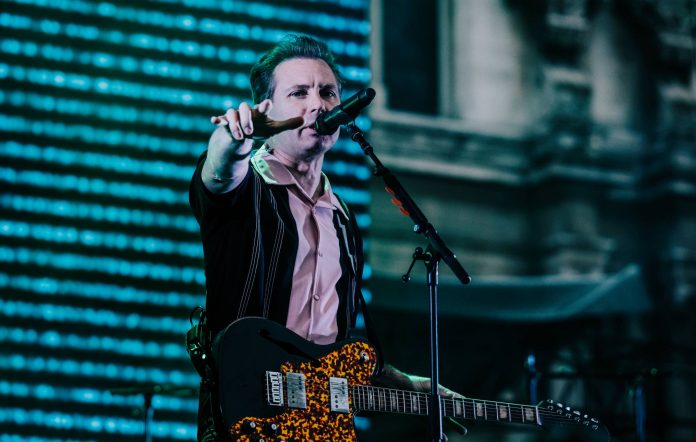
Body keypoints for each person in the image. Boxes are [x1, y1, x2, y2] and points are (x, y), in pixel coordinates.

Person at [189, 34, 455, 441]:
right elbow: (220, 170)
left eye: (327, 92)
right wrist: (234, 137)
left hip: (323, 428)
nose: (318, 105)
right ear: (267, 108)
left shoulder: (343, 220)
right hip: (247, 422)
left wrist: (411, 386)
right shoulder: (246, 188)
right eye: (299, 93)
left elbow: (337, 347)